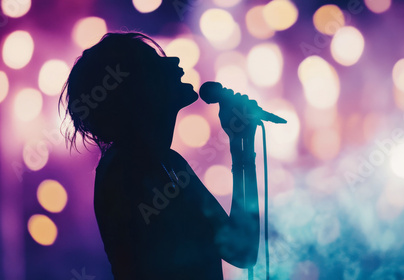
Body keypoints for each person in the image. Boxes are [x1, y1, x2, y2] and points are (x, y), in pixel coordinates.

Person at [60, 32, 259, 279]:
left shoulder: (172, 164)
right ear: (135, 88)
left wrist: (242, 146)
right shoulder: (123, 171)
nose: (173, 60)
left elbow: (242, 250)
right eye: (154, 62)